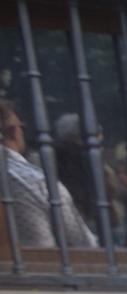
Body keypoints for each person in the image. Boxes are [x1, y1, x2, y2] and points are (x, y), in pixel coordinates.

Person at [0, 99, 97, 249]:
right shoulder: (35, 181)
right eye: (22, 126)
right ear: (13, 130)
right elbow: (84, 244)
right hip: (42, 268)